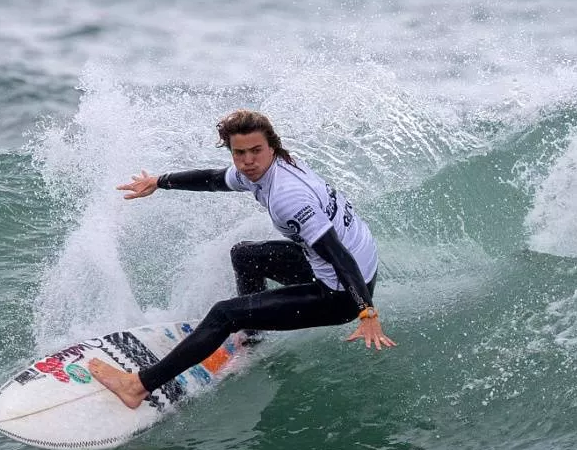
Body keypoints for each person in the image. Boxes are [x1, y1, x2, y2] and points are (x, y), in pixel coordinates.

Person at [88, 110, 396, 409]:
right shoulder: (268, 168)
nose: (247, 161)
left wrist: (366, 311)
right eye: (239, 153)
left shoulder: (287, 195)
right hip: (349, 264)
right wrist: (159, 181)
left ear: (272, 146)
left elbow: (338, 255)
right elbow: (213, 179)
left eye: (255, 151)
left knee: (224, 314)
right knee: (245, 255)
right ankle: (252, 337)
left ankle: (137, 387)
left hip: (342, 291)